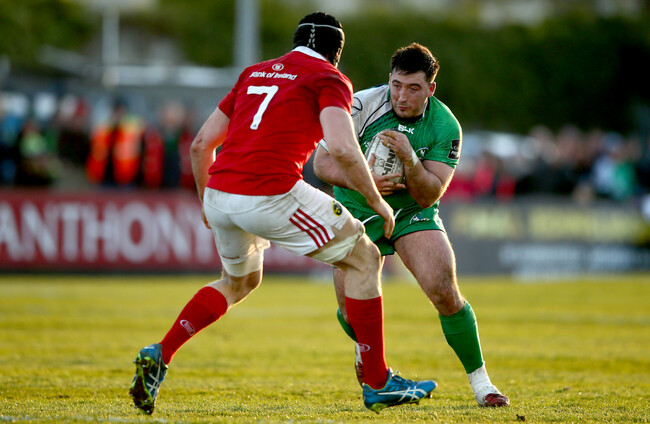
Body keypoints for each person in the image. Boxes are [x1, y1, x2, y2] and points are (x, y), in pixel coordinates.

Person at [128, 13, 436, 416]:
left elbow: (201, 144)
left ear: (295, 42)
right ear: (336, 52)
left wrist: (207, 203)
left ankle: (161, 352)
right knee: (366, 257)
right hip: (270, 192)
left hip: (220, 192)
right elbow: (343, 149)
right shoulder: (328, 78)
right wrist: (376, 200)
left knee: (238, 282)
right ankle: (378, 382)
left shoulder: (253, 73)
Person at [313, 43, 510, 407]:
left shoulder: (445, 125)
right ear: (389, 80)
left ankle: (483, 384)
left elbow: (430, 193)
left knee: (443, 289)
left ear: (430, 89)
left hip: (410, 213)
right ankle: (369, 356)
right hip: (357, 210)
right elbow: (321, 164)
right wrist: (366, 181)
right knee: (350, 311)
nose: (402, 96)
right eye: (397, 85)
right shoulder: (360, 105)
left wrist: (409, 159)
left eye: (413, 88)